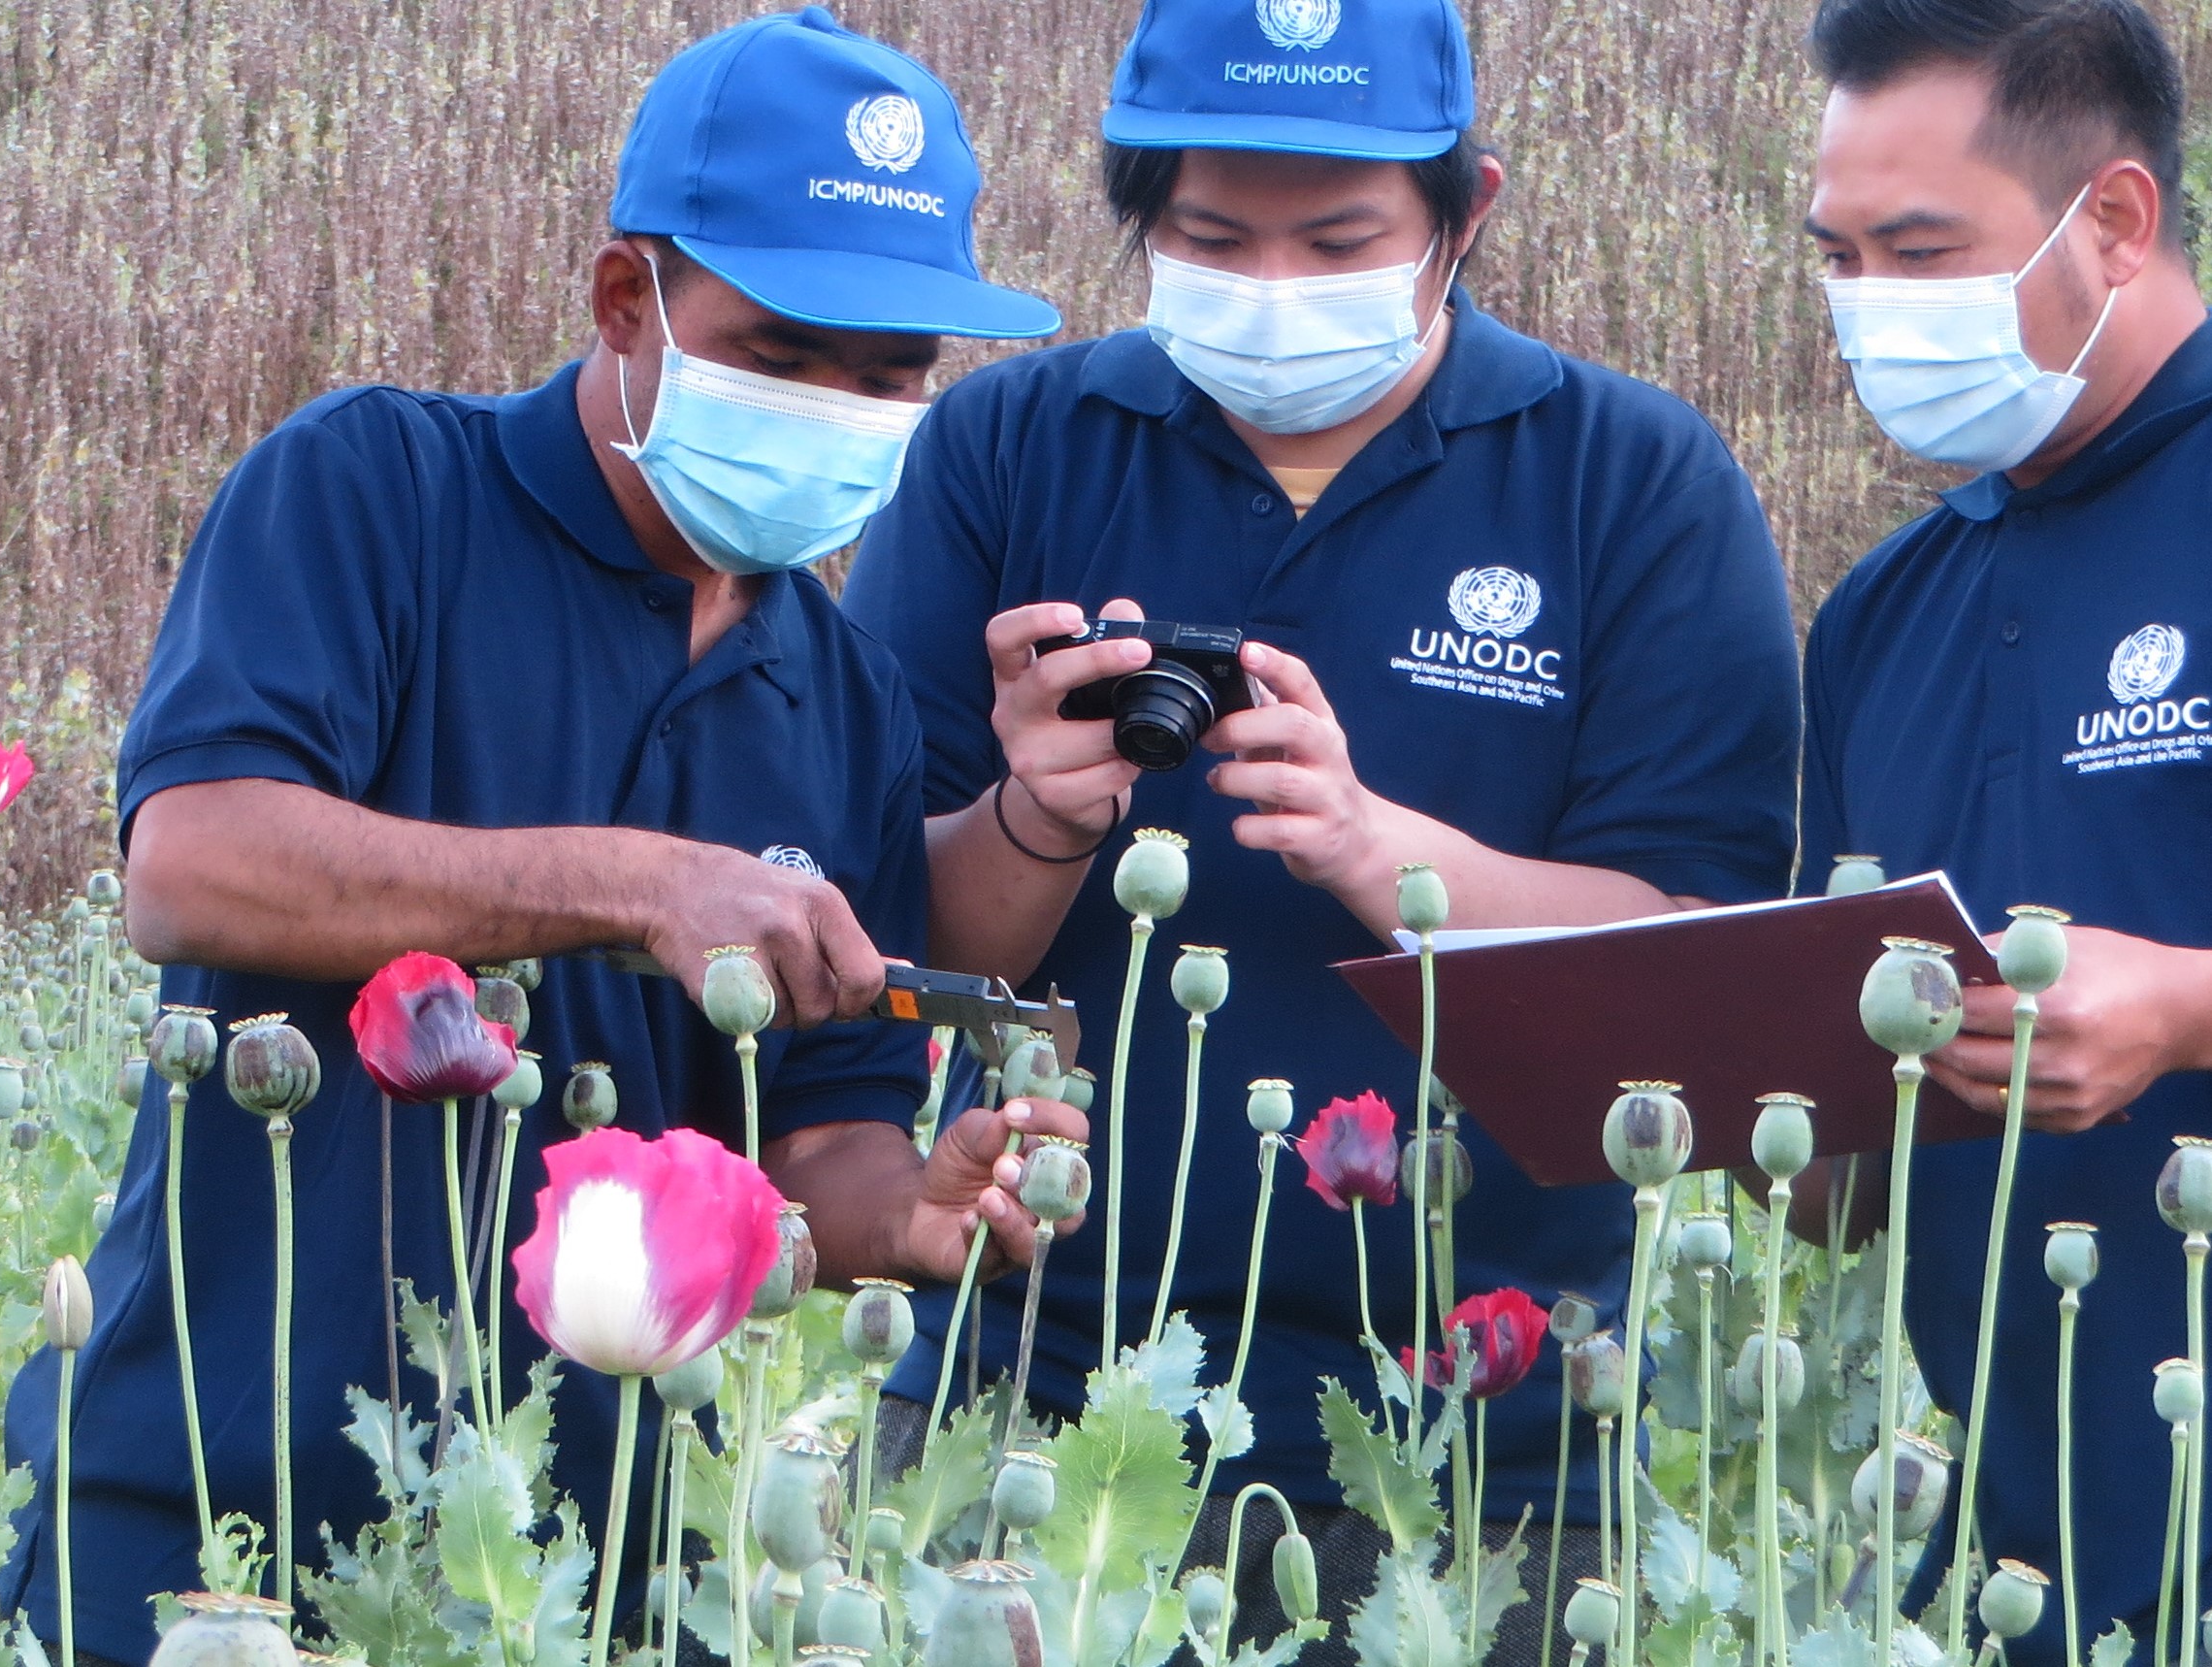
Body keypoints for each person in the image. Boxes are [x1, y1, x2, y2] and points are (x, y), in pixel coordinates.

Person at [0, 11, 1083, 1663]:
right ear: (623, 299)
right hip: (217, 1530)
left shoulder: (848, 696)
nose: (840, 408)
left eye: (890, 375)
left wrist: (912, 1215)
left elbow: (821, 1139)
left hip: (600, 1575)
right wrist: (631, 884)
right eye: (784, 353)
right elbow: (192, 862)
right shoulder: (373, 492)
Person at [839, 0, 1802, 1650]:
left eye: (1338, 240)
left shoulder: (1632, 480)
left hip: (1493, 1444)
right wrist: (1035, 815)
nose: (1273, 288)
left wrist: (1382, 856)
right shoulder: (1004, 449)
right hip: (1038, 1398)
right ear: (1139, 219)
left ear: (1464, 213)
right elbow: (892, 946)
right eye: (1213, 239)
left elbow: (1692, 976)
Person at [1798, 0, 2212, 1655]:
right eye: (1838, 258)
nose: (1871, 309)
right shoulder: (1882, 614)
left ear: (2110, 219)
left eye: (1918, 253)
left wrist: (2182, 1005)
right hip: (2003, 1566)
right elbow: (1842, 1186)